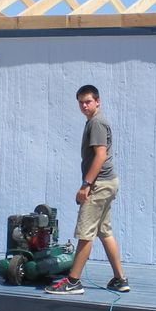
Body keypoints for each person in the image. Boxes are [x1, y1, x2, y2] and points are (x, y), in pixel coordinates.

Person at [45, 84, 130, 295]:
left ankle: (73, 281)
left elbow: (100, 155)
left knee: (85, 232)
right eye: (81, 102)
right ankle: (120, 279)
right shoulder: (94, 121)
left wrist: (86, 185)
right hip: (108, 182)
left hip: (99, 184)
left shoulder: (97, 123)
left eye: (88, 101)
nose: (84, 105)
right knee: (104, 231)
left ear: (97, 101)